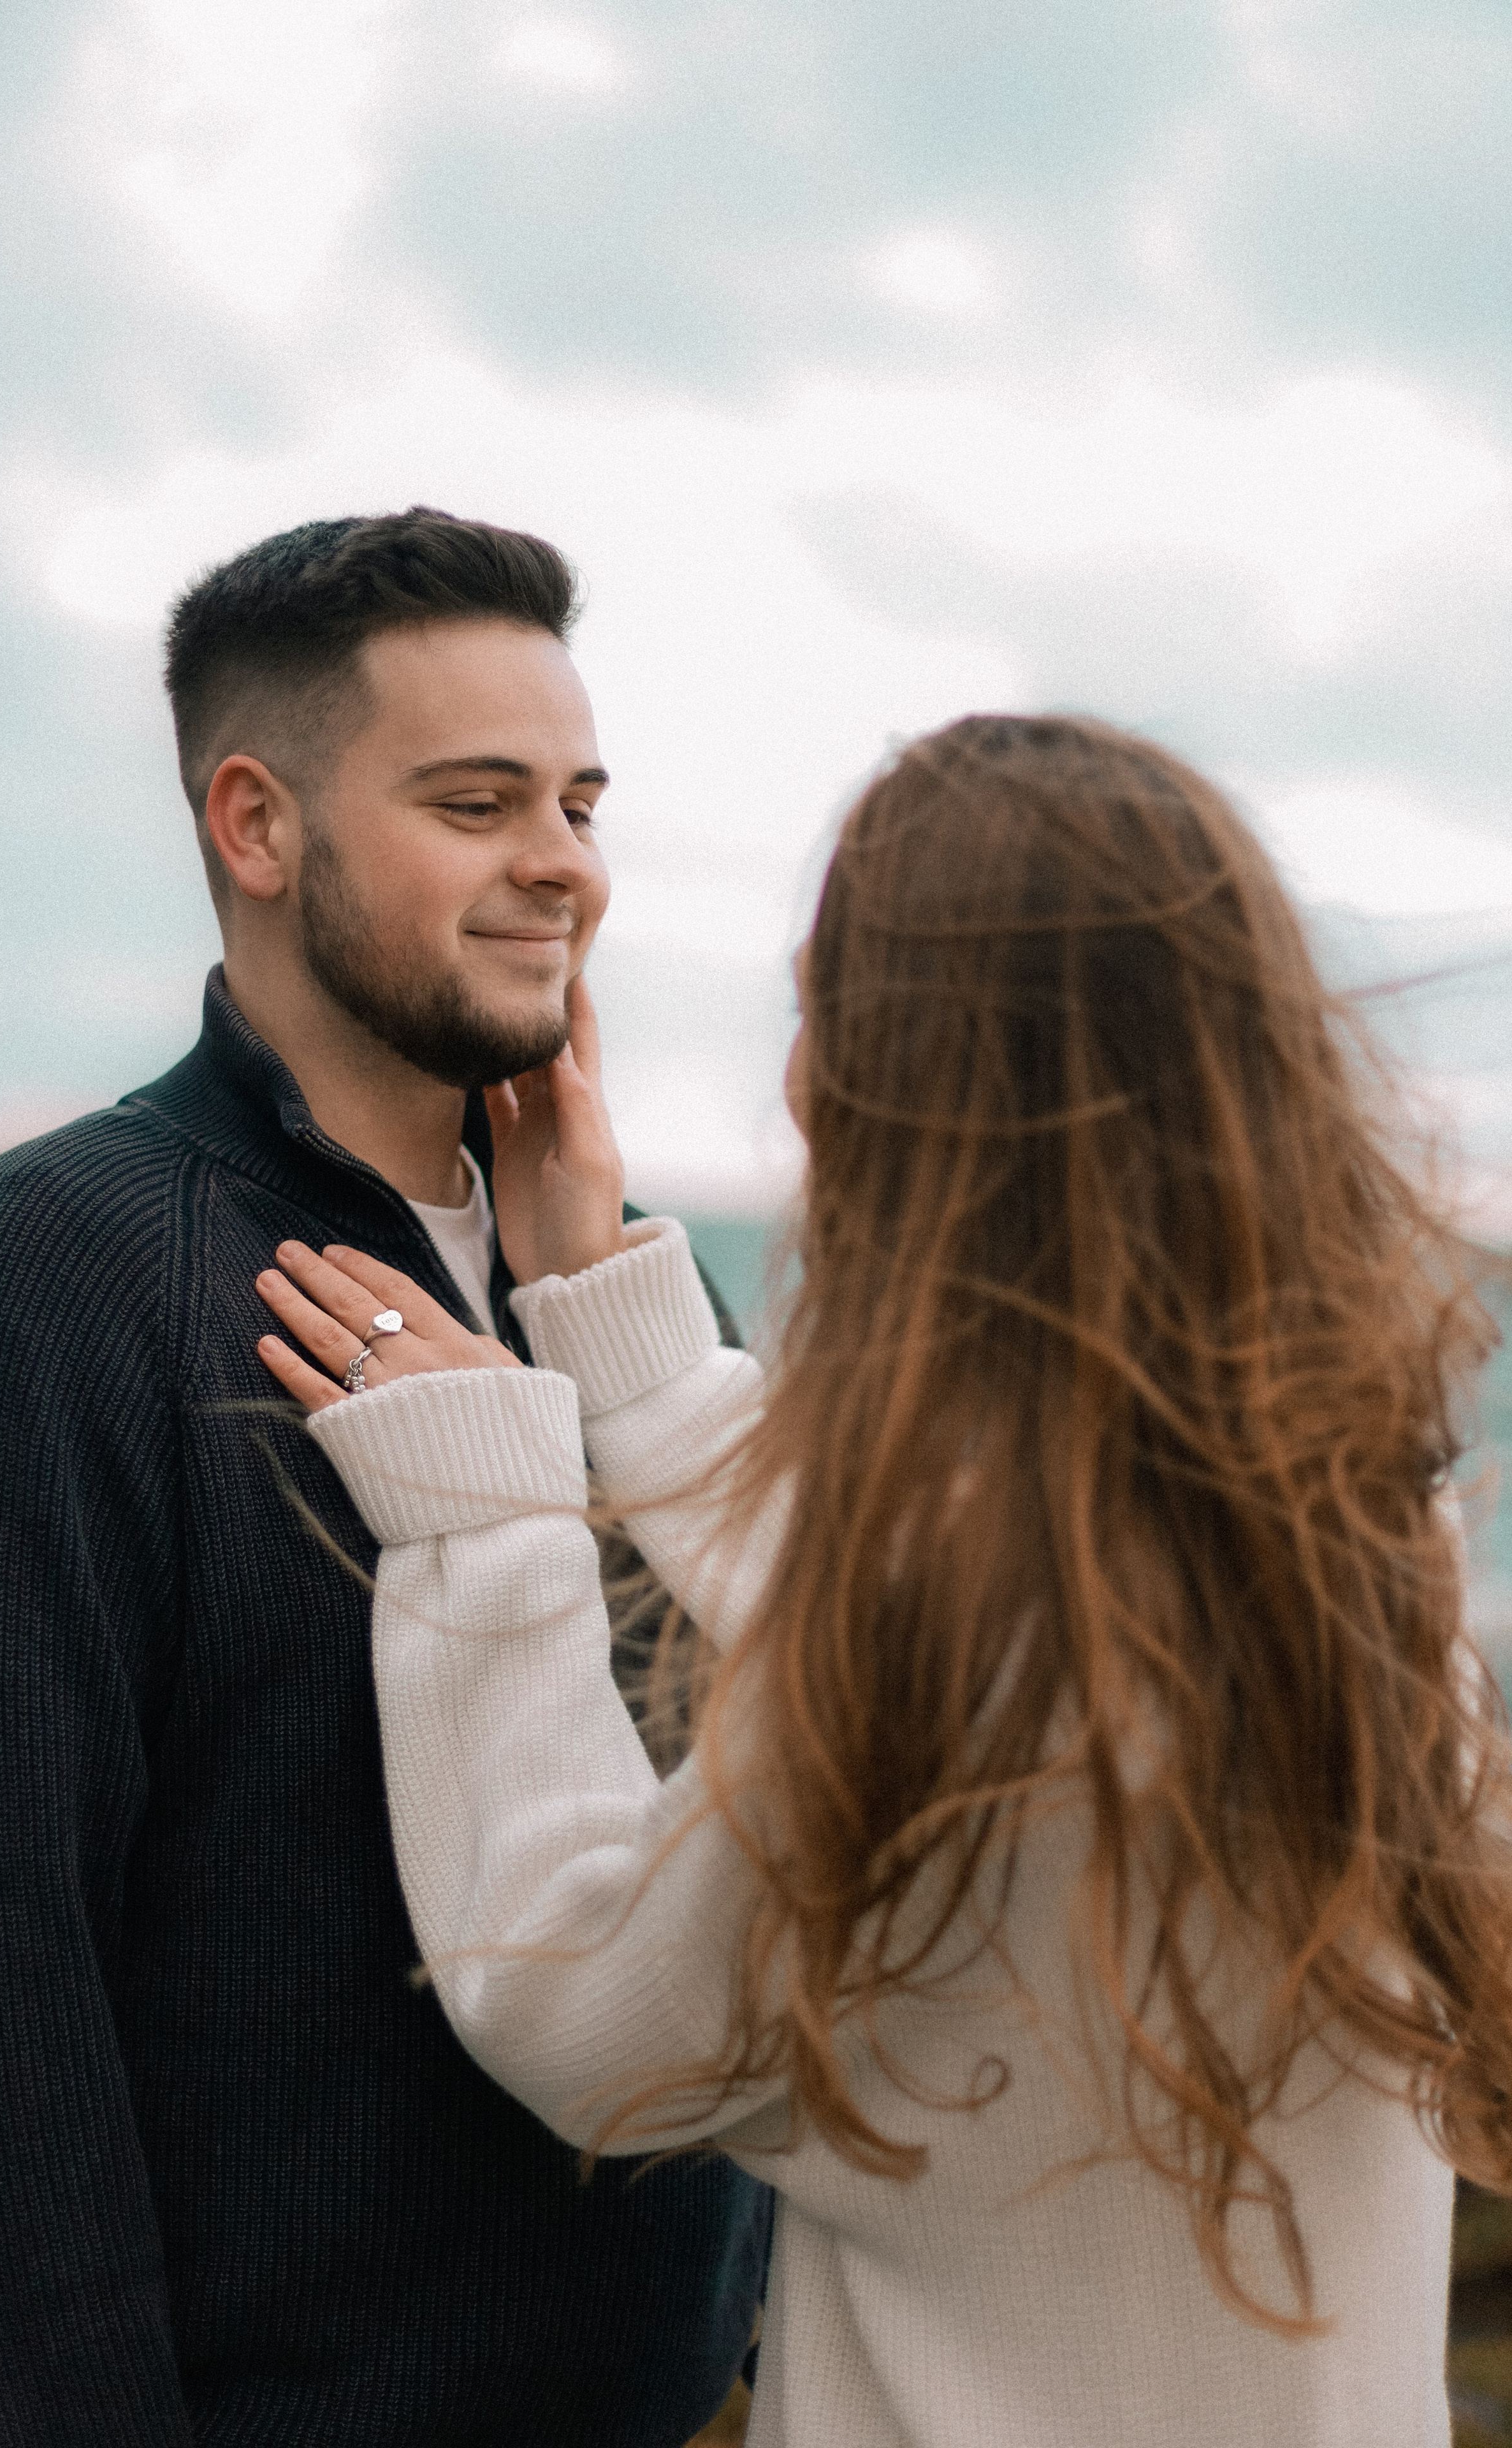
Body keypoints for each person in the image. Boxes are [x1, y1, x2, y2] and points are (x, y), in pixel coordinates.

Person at [261, 715, 1512, 2448]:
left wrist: (487, 1515)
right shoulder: (1366, 1556)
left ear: (883, 1093)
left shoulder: (952, 1650)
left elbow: (587, 2011)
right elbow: (1004, 1628)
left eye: (819, 1019)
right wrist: (620, 1335)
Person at [0, 507, 768, 2447]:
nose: (563, 867)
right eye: (477, 802)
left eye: (581, 804)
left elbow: (771, 1809)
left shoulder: (640, 1287)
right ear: (257, 828)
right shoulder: (58, 1279)